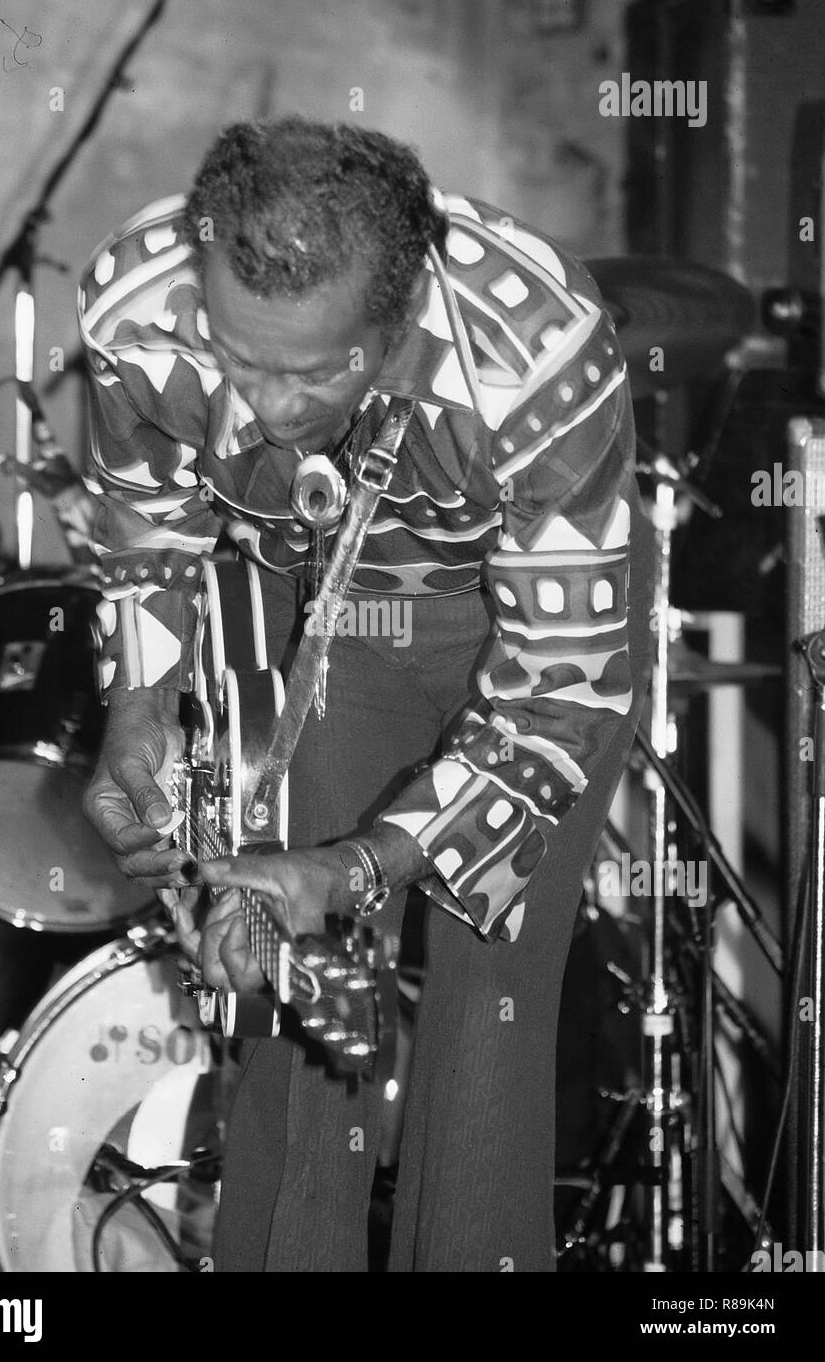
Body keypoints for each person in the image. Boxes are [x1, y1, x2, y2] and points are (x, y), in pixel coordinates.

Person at [80, 116, 653, 1272]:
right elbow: (147, 527)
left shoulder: (534, 344)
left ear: (398, 316)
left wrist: (353, 863)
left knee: (484, 1022)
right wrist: (139, 701)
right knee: (295, 1020)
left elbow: (560, 690)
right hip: (347, 627)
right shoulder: (139, 301)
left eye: (317, 370)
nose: (273, 410)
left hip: (542, 652)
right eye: (243, 365)